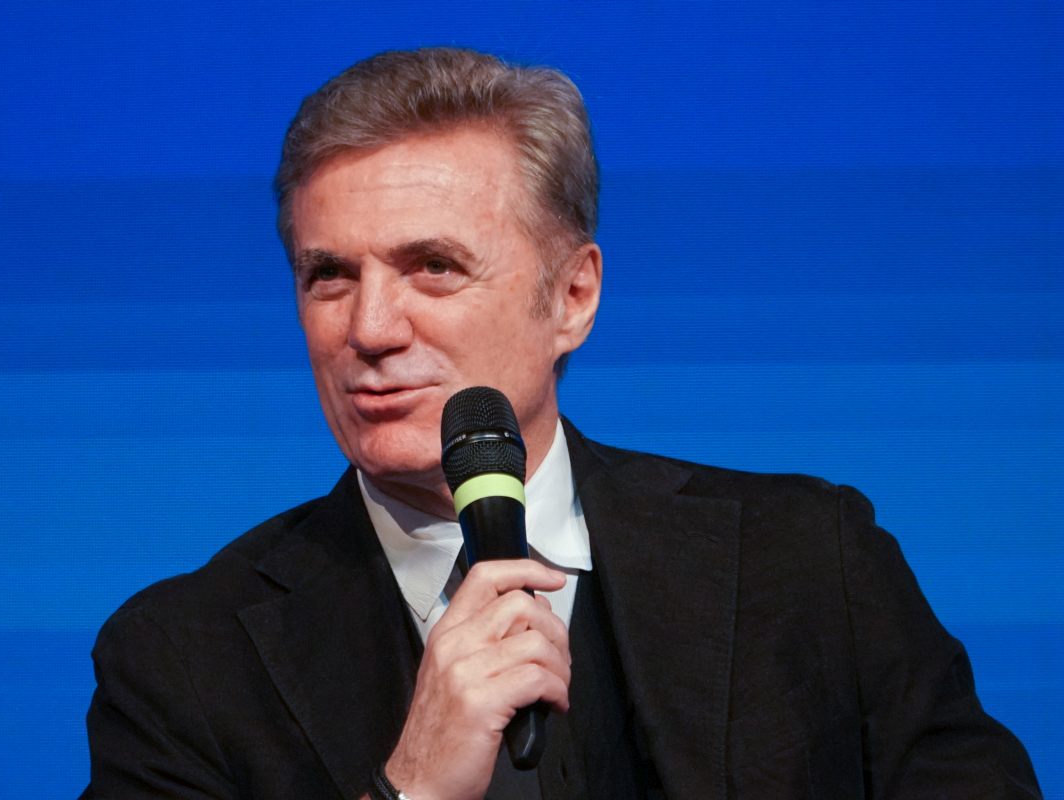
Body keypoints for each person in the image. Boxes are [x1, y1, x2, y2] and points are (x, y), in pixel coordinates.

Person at [82, 47, 1041, 799]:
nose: (369, 329)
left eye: (433, 267)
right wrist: (413, 788)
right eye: (328, 276)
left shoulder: (811, 564)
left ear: (573, 297)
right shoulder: (180, 660)